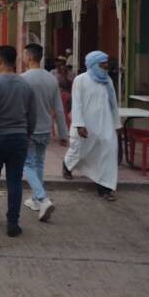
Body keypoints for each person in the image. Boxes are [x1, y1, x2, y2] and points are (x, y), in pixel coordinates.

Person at [0, 45, 36, 238]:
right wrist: (27, 133)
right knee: (14, 180)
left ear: (0, 60)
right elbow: (33, 115)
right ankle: (13, 222)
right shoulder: (25, 85)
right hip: (19, 137)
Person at [62, 51, 120, 201]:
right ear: (94, 64)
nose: (106, 66)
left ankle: (105, 188)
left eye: (106, 63)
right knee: (80, 150)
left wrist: (116, 124)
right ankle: (67, 165)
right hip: (87, 125)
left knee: (108, 151)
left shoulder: (108, 81)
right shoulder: (81, 80)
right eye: (103, 63)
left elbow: (113, 104)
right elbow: (77, 104)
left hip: (106, 124)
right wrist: (79, 125)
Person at [21, 43, 68, 222]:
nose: (23, 58)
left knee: (28, 165)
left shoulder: (24, 79)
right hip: (45, 129)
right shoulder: (51, 79)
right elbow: (59, 108)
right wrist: (63, 134)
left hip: (30, 128)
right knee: (39, 163)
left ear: (30, 57)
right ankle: (35, 199)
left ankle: (41, 197)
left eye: (25, 55)